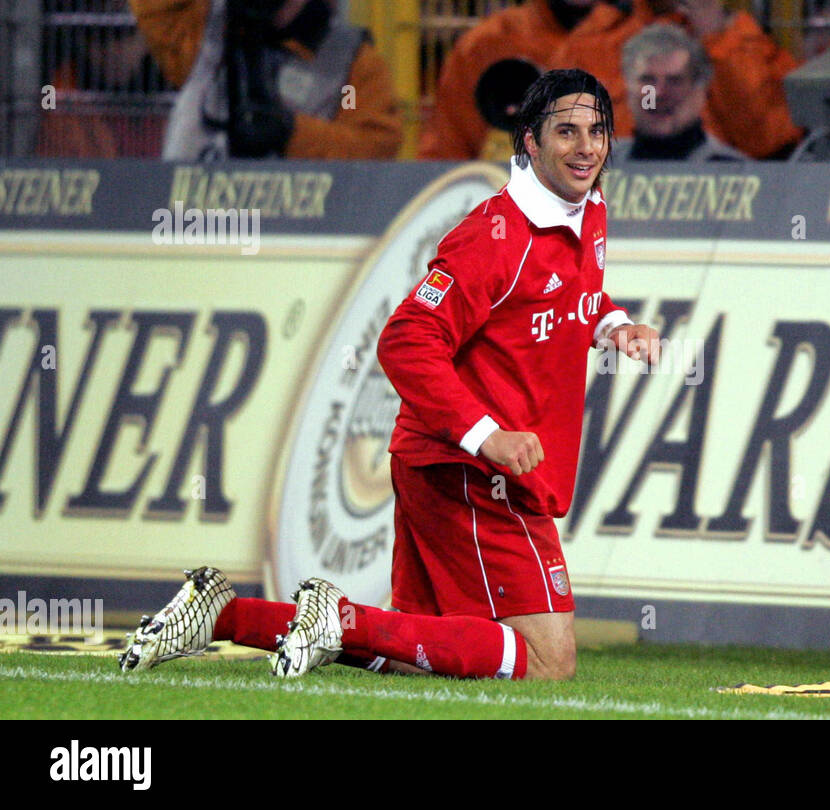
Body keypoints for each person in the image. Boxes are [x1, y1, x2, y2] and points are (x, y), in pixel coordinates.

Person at [120, 69, 660, 682]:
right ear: (530, 143)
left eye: (597, 131)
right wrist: (488, 437)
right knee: (545, 660)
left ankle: (221, 615)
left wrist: (614, 326)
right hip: (474, 470)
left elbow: (569, 292)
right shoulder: (494, 238)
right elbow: (405, 340)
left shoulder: (586, 211)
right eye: (566, 131)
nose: (586, 147)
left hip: (443, 463)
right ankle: (340, 620)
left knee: (419, 654)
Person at [418, 0, 801, 160]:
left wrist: (717, 33)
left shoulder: (683, 35)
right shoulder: (487, 46)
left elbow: (770, 143)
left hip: (676, 234)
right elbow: (442, 169)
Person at [129, 0, 400, 160]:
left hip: (294, 241)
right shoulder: (201, 30)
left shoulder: (351, 64)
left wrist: (290, 132)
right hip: (199, 230)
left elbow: (371, 146)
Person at [619, 23, 746, 160]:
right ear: (628, 88)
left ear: (699, 93)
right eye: (648, 80)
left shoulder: (737, 172)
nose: (659, 93)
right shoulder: (599, 167)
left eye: (674, 81)